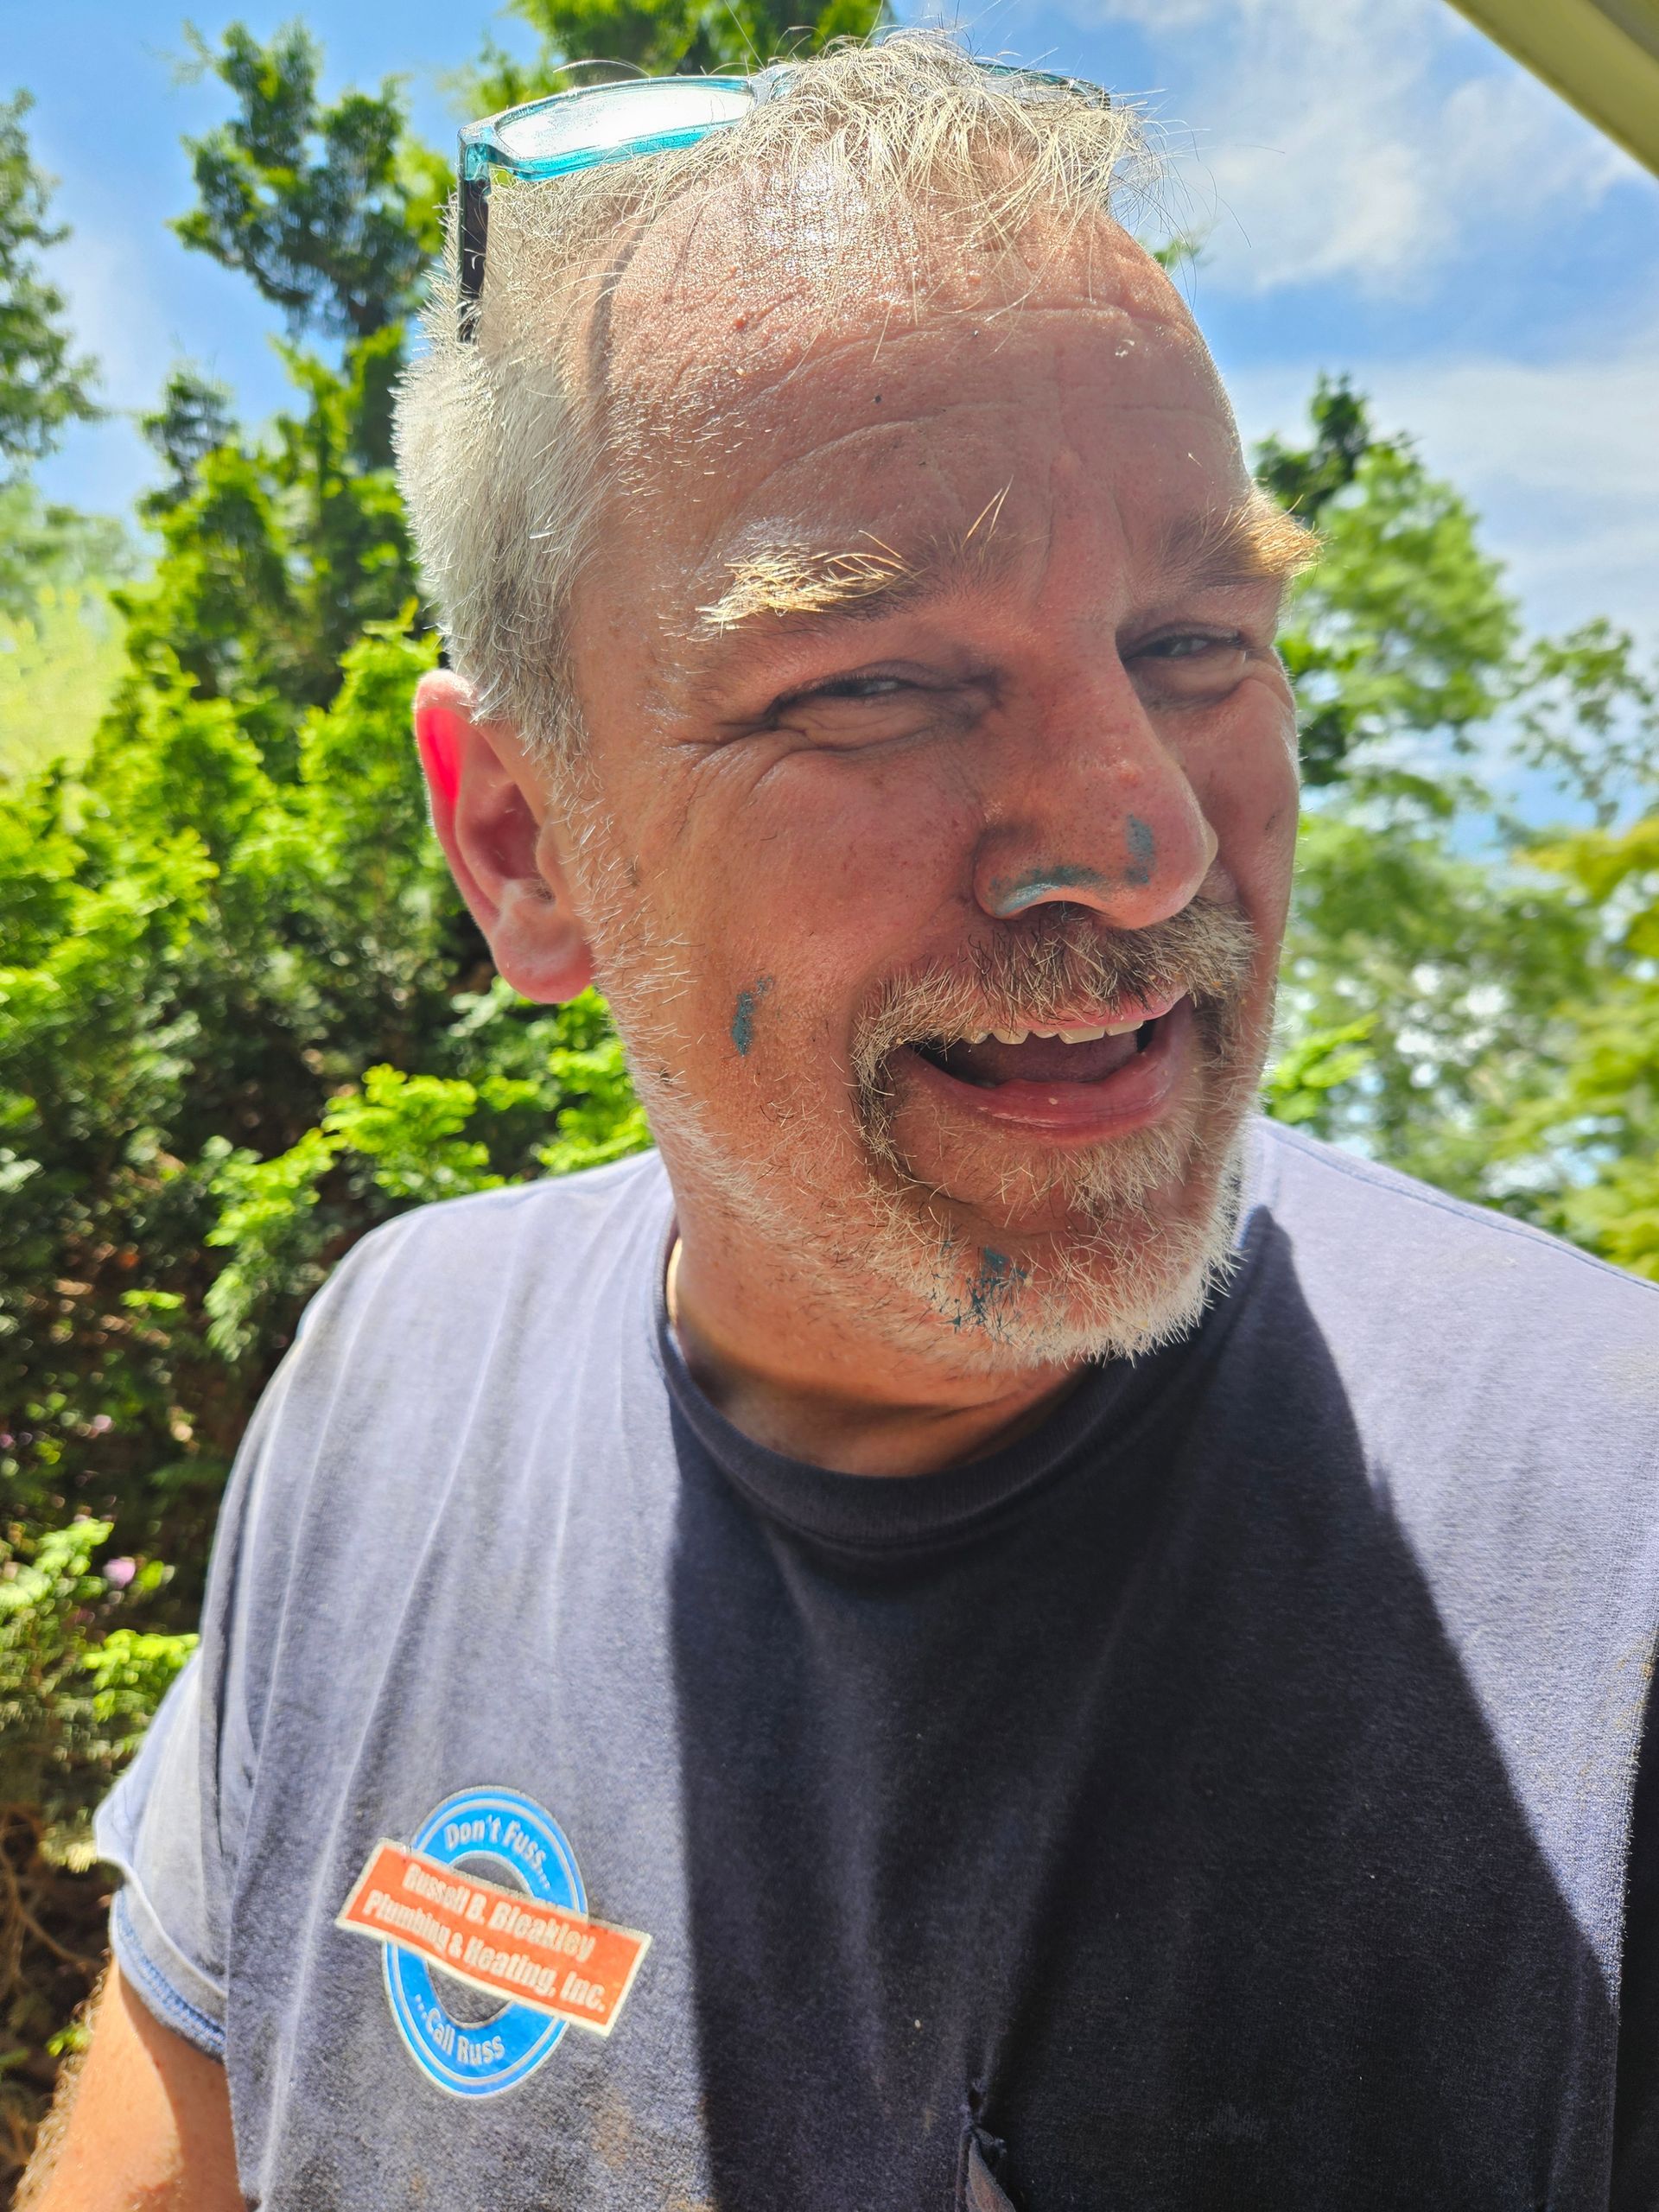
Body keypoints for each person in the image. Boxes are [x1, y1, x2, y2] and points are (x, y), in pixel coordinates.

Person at [23, 35, 1659, 2212]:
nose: (1144, 839)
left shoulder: (1615, 1551)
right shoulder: (393, 1374)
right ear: (522, 840)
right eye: (872, 679)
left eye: (1197, 637)